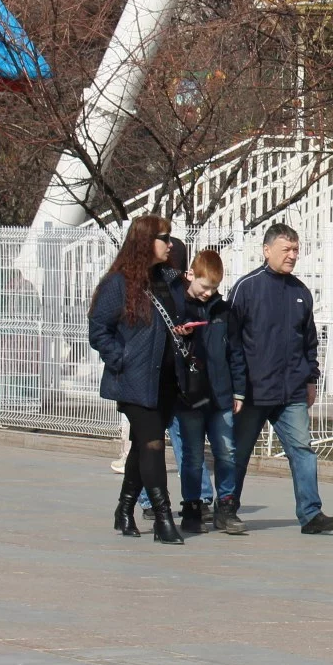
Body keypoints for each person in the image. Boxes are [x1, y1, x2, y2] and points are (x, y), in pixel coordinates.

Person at [228, 223, 333, 534]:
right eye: (286, 250)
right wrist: (235, 386)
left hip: (291, 391)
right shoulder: (246, 288)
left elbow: (309, 340)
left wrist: (310, 378)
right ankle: (227, 508)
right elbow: (230, 340)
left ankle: (311, 513)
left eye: (295, 250)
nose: (292, 256)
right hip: (253, 391)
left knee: (302, 450)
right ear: (267, 251)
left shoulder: (300, 292)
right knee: (239, 452)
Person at [86, 215, 189, 546]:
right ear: (146, 241)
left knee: (144, 444)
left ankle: (124, 508)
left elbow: (179, 316)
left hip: (166, 378)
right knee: (154, 444)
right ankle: (162, 518)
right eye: (164, 238)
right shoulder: (119, 283)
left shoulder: (170, 279)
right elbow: (99, 328)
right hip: (134, 379)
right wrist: (120, 358)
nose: (170, 244)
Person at [170, 247, 249, 537]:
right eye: (204, 287)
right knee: (192, 456)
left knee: (227, 452)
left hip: (220, 394)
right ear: (191, 275)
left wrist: (239, 392)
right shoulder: (176, 306)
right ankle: (192, 506)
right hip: (188, 395)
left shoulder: (224, 311)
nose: (207, 293)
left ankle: (226, 506)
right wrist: (178, 336)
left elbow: (236, 353)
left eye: (213, 288)